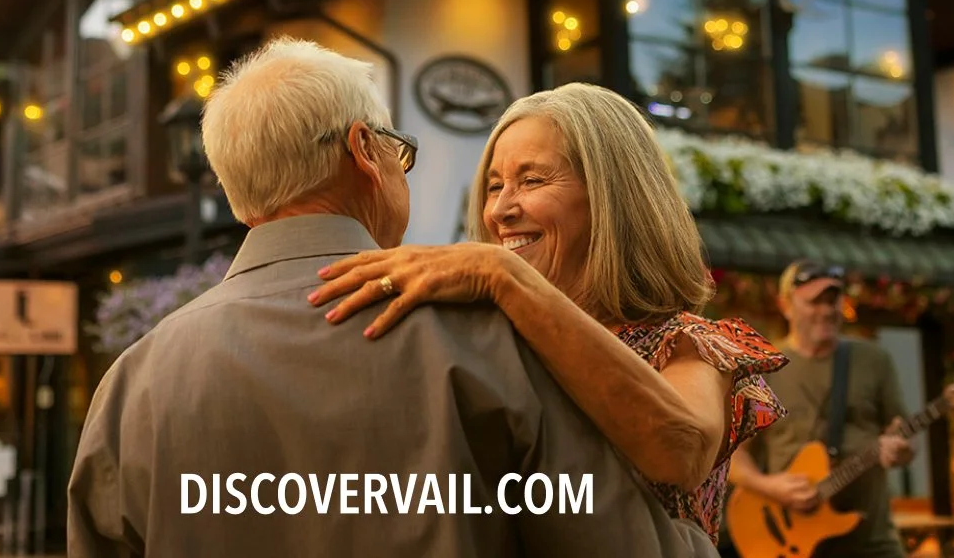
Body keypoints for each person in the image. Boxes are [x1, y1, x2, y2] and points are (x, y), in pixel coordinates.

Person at [65, 38, 722, 558]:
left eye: (532, 179)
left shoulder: (133, 385)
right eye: (398, 152)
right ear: (365, 151)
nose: (501, 209)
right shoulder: (497, 341)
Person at [311, 83, 787, 544]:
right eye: (494, 186)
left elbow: (681, 450)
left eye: (533, 180)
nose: (499, 210)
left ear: (612, 196)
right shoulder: (485, 335)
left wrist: (501, 273)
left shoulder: (689, 342)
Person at [726, 261, 914, 558]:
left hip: (872, 539)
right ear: (785, 305)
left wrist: (901, 448)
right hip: (793, 542)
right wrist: (768, 486)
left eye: (833, 300)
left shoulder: (874, 361)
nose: (826, 311)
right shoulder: (762, 371)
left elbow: (901, 431)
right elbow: (734, 456)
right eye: (815, 301)